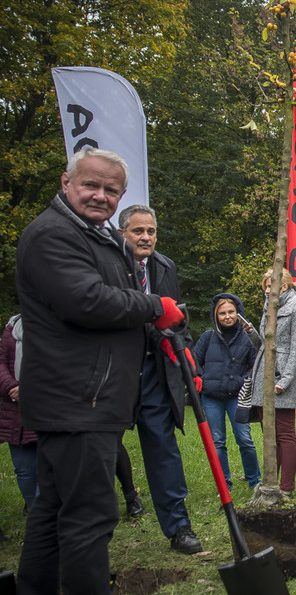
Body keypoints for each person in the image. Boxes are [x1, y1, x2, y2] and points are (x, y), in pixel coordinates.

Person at [15, 147, 183, 595]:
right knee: (89, 515)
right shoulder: (52, 235)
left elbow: (118, 296)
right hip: (77, 398)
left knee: (52, 512)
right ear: (67, 181)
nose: (100, 196)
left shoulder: (99, 238)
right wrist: (154, 305)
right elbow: (85, 300)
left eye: (111, 190)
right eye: (91, 185)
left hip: (92, 396)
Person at [118, 203, 201, 555]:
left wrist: (187, 356)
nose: (146, 237)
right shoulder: (107, 262)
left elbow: (176, 315)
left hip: (155, 370)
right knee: (98, 449)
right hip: (115, 370)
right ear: (123, 233)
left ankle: (179, 527)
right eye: (138, 231)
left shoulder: (164, 266)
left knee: (163, 446)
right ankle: (88, 530)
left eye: (151, 231)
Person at [248, 269, 296, 498]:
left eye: (268, 286)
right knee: (269, 435)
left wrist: (284, 381)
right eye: (265, 286)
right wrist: (251, 332)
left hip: (282, 378)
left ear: (282, 287)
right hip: (263, 375)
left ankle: (287, 488)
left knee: (284, 434)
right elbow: (264, 344)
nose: (265, 291)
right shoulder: (269, 308)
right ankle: (272, 484)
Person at [193, 293, 261, 491]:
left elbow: (254, 365)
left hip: (237, 397)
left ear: (238, 312)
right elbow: (195, 362)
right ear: (216, 315)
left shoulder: (247, 339)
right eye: (222, 313)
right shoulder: (208, 337)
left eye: (231, 312)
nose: (227, 316)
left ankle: (254, 480)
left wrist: (241, 381)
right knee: (217, 441)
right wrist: (204, 381)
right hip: (212, 397)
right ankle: (224, 484)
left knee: (245, 439)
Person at [0, 314, 37, 512]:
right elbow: (1, 362)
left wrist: (30, 390)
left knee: (50, 471)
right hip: (15, 413)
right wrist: (11, 387)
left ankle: (48, 526)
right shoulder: (13, 325)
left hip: (46, 409)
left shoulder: (56, 323)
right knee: (24, 471)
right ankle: (36, 518)